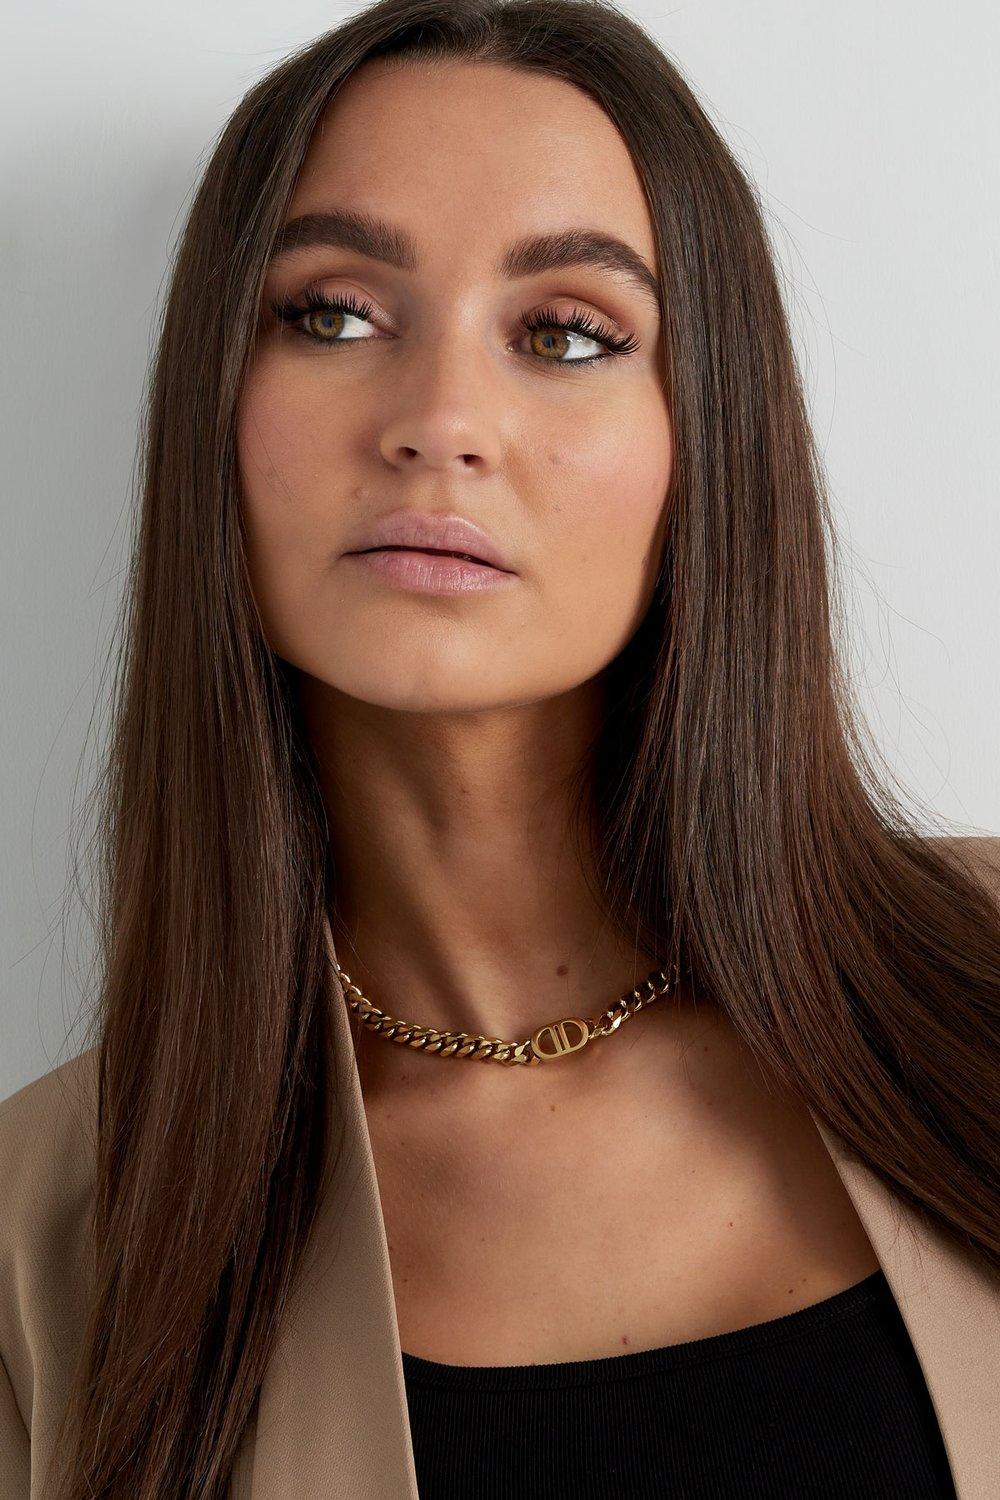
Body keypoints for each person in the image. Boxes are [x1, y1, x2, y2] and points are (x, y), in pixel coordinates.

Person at [1, 0, 998, 1495]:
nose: (442, 421)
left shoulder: (980, 990)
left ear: (706, 439)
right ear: (213, 403)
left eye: (566, 334)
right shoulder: (43, 1246)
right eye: (333, 314)